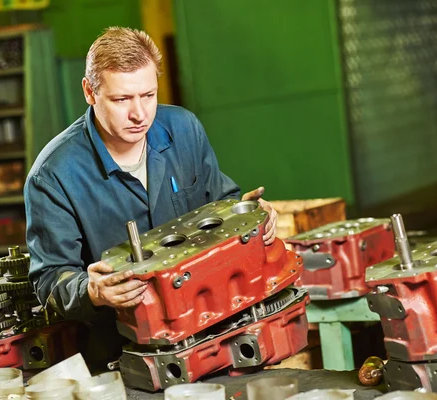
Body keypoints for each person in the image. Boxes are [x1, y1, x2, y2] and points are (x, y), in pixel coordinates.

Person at [24, 27, 278, 371]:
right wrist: (93, 291)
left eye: (148, 95)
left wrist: (251, 217)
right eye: (121, 99)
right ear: (89, 91)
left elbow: (222, 203)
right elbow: (50, 279)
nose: (139, 113)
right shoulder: (53, 176)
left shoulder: (183, 129)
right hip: (127, 354)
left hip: (217, 332)